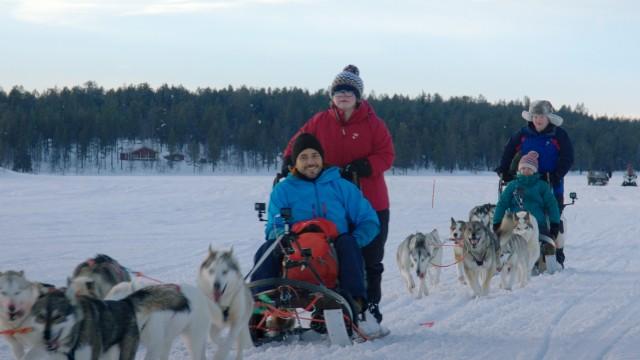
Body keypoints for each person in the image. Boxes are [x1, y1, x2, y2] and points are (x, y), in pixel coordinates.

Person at [277, 65, 394, 324]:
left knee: (370, 259)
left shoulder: (373, 124)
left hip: (370, 200)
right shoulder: (319, 121)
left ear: (358, 96)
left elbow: (387, 155)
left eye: (349, 91)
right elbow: (297, 144)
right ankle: (327, 304)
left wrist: (365, 166)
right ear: (331, 96)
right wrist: (288, 162)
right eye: (338, 91)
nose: (343, 96)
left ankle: (368, 304)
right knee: (326, 254)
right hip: (331, 201)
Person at [252, 133, 382, 332]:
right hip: (295, 246)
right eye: (303, 157)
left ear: (322, 158)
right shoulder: (283, 190)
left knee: (348, 243)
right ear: (295, 162)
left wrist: (355, 240)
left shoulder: (342, 186)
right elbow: (273, 227)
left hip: (334, 247)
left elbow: (369, 220)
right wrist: (284, 239)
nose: (310, 162)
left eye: (314, 156)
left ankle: (352, 303)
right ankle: (259, 308)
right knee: (267, 248)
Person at [495, 100, 573, 266]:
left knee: (554, 216)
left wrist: (556, 175)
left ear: (548, 118)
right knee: (519, 214)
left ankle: (555, 251)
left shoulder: (559, 135)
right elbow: (509, 151)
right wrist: (504, 170)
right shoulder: (522, 134)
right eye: (536, 116)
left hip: (552, 183)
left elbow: (568, 157)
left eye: (542, 116)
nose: (538, 120)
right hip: (524, 180)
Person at [492, 151, 561, 269]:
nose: (526, 171)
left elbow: (552, 205)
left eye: (529, 169)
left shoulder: (542, 186)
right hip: (515, 225)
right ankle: (503, 264)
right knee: (503, 244)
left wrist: (555, 224)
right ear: (519, 169)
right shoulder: (512, 186)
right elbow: (502, 204)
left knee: (548, 244)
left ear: (534, 170)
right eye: (523, 168)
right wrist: (497, 223)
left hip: (538, 225)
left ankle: (550, 266)